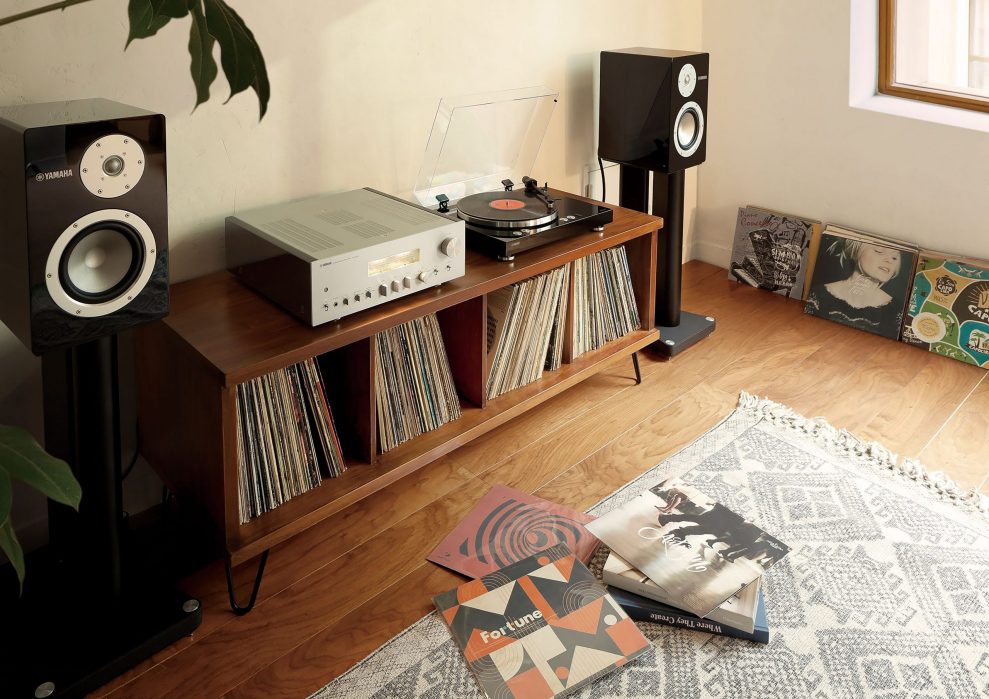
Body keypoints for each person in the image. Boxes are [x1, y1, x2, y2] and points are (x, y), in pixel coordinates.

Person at [807, 239, 904, 333]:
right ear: (855, 250)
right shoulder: (817, 295)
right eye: (879, 251)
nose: (889, 261)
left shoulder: (898, 311)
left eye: (894, 258)